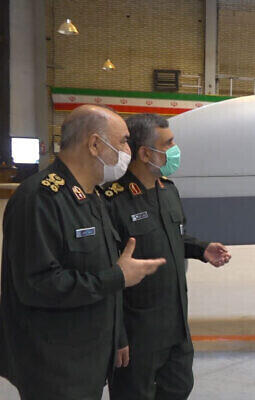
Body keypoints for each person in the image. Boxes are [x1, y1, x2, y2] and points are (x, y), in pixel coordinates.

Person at [0, 105, 166, 400]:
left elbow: (97, 267)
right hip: (54, 364)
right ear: (94, 144)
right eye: (123, 141)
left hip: (90, 354)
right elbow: (37, 285)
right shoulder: (40, 199)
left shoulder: (93, 196)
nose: (128, 150)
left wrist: (118, 336)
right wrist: (117, 277)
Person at [105, 113, 231, 400]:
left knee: (179, 387)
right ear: (145, 153)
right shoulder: (112, 201)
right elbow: (107, 273)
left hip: (176, 325)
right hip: (138, 333)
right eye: (169, 143)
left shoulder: (168, 191)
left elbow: (173, 237)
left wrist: (201, 249)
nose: (175, 150)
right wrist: (117, 336)